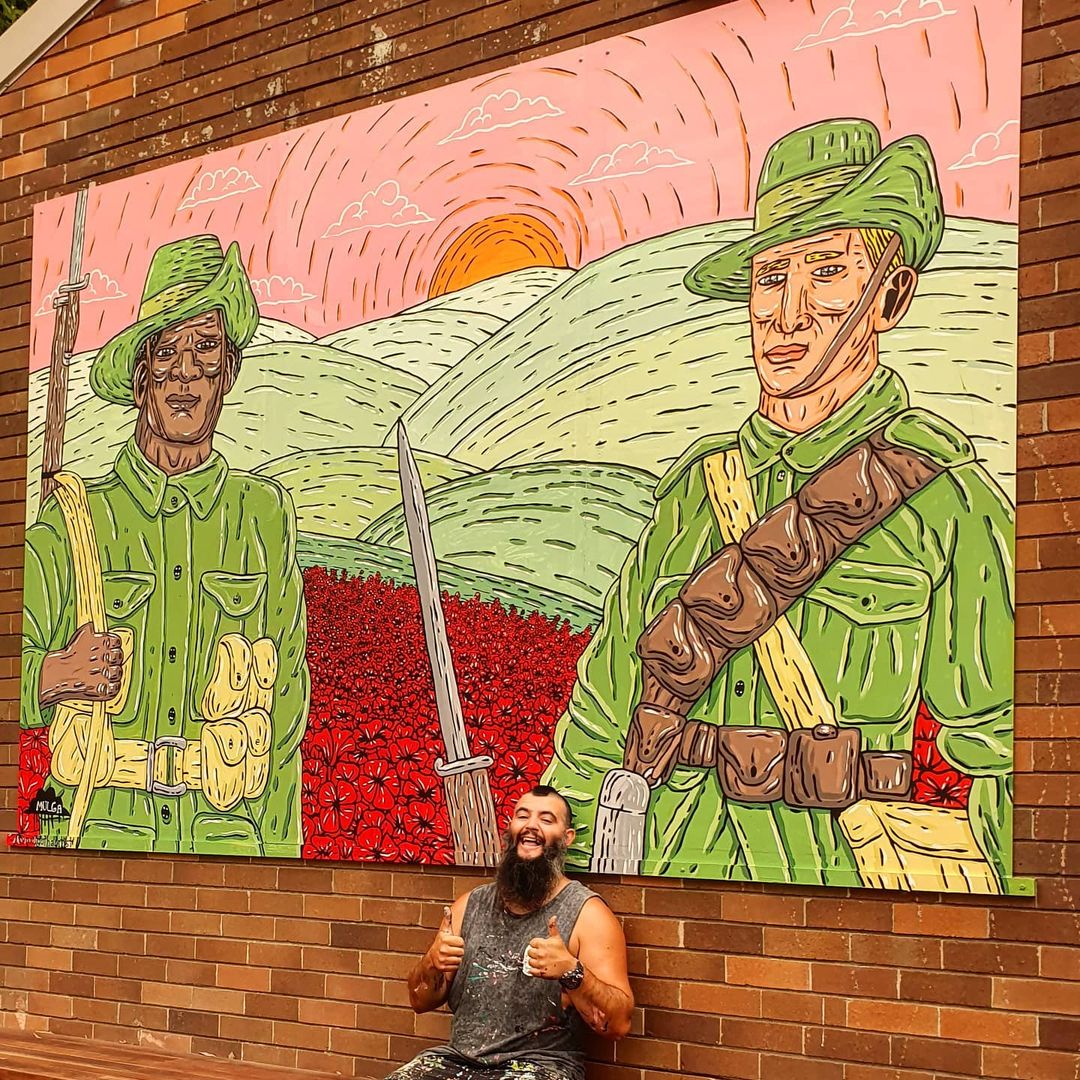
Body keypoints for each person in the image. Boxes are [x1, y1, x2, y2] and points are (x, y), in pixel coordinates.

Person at [544, 118, 1014, 892]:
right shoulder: (696, 495)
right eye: (770, 278)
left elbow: (1006, 752)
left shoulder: (949, 504)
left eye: (827, 272)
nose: (787, 313)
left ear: (890, 297)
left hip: (839, 885)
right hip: (666, 869)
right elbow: (599, 723)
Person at [21, 234, 310, 857]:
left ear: (228, 372)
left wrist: (282, 855)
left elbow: (286, 706)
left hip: (225, 837)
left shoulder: (262, 518)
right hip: (94, 830)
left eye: (205, 350)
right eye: (166, 351)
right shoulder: (76, 519)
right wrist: (55, 673)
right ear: (140, 374)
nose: (184, 373)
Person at [393, 785, 633, 1080]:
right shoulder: (469, 905)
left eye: (546, 819)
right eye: (523, 815)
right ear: (510, 828)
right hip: (458, 1060)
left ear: (566, 838)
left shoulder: (588, 914)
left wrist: (572, 971)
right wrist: (431, 961)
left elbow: (618, 1025)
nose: (531, 825)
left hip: (541, 1066)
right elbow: (419, 1001)